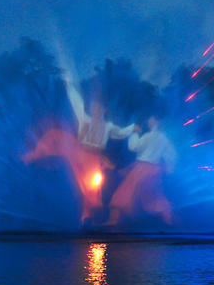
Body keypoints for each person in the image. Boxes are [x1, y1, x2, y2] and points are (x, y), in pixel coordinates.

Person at [21, 81, 137, 223]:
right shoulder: (85, 119)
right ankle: (31, 156)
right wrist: (69, 83)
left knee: (90, 189)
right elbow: (76, 102)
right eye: (94, 107)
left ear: (104, 110)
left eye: (98, 108)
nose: (95, 110)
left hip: (92, 160)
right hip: (78, 152)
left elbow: (121, 133)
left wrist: (133, 128)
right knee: (55, 135)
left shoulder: (108, 126)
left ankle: (87, 217)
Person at [105, 114, 177, 226]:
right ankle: (170, 220)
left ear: (155, 122)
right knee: (154, 197)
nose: (149, 120)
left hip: (141, 169)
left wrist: (135, 133)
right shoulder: (165, 139)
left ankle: (113, 221)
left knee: (124, 194)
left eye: (151, 119)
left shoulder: (148, 136)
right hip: (154, 170)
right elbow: (172, 155)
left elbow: (133, 147)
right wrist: (168, 170)